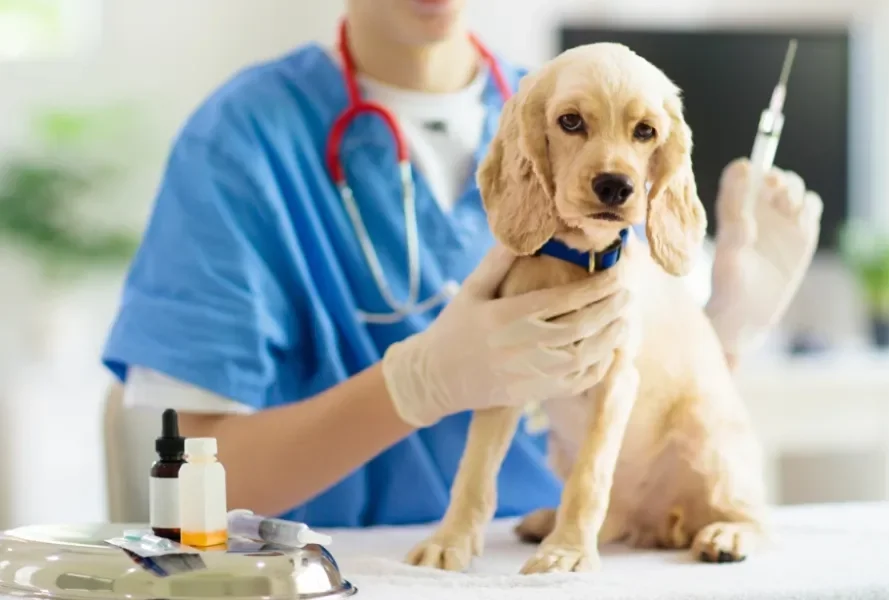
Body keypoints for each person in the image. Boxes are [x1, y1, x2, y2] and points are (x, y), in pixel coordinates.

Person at [102, 0, 822, 528]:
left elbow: (635, 407)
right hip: (342, 567)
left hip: (551, 561)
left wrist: (726, 330)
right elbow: (193, 486)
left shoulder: (575, 104)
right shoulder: (242, 143)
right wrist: (414, 385)